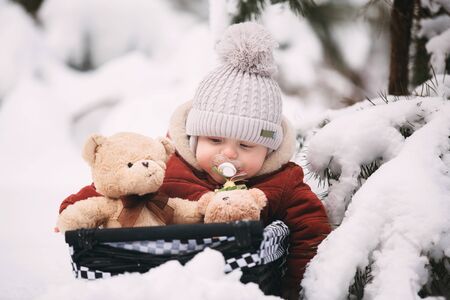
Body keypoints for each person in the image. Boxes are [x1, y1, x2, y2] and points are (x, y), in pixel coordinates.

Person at [59, 22, 331, 299]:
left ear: (269, 150)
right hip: (161, 277)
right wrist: (76, 207)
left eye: (246, 145)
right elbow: (121, 185)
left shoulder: (282, 182)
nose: (228, 153)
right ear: (194, 138)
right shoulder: (169, 168)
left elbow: (311, 231)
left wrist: (294, 289)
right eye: (215, 141)